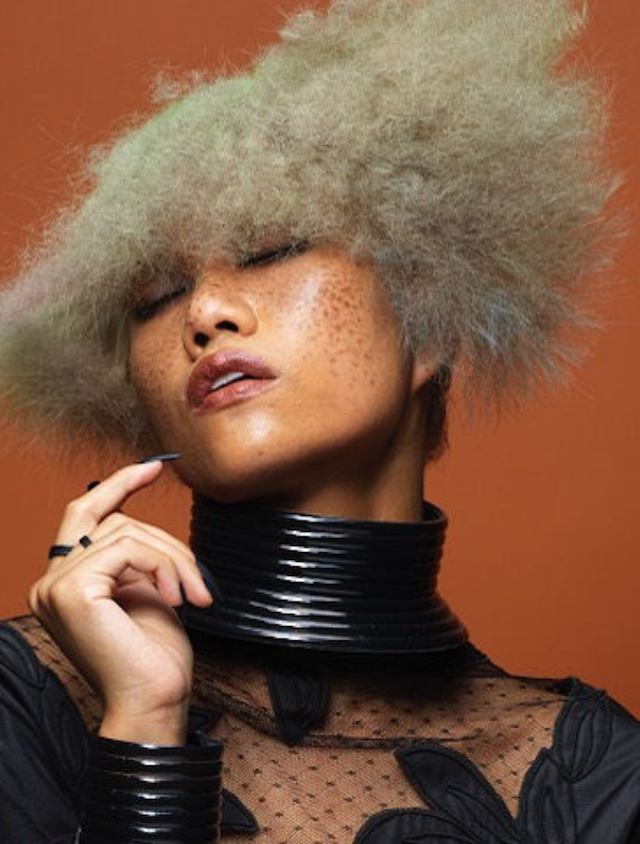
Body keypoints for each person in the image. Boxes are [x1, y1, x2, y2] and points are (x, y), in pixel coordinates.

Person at [0, 0, 638, 842]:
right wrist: (145, 724)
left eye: (270, 251)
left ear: (429, 322)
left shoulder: (598, 776)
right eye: (156, 295)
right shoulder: (22, 700)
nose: (206, 314)